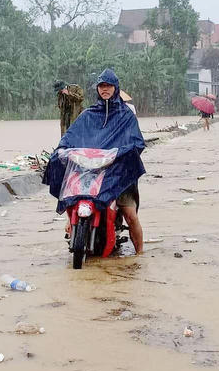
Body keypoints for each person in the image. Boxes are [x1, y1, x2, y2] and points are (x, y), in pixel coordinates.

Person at [45, 69, 145, 255]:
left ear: (115, 88)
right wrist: (62, 149)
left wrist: (121, 153)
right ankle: (71, 223)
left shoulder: (126, 115)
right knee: (71, 197)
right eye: (101, 86)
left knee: (130, 216)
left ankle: (140, 255)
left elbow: (138, 143)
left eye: (108, 86)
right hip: (93, 170)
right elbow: (71, 136)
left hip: (119, 172)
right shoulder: (88, 115)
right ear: (97, 89)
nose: (105, 89)